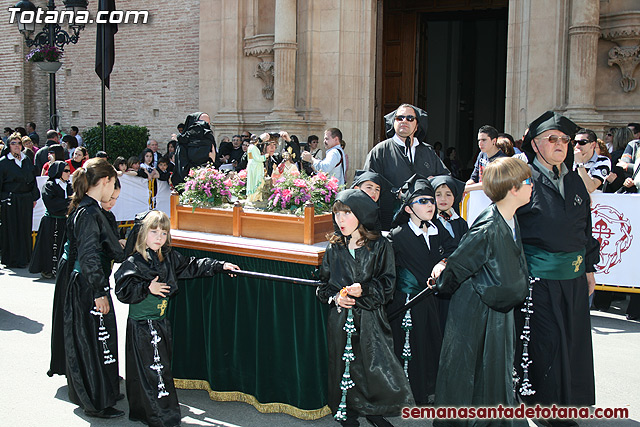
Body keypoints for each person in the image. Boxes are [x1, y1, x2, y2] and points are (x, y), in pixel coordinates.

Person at [115, 211, 239, 427]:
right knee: (150, 370)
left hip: (161, 321)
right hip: (142, 326)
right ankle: (156, 414)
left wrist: (219, 265)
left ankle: (153, 411)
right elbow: (122, 290)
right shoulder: (133, 262)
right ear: (143, 233)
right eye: (154, 232)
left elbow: (192, 265)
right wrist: (146, 287)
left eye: (163, 232)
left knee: (159, 367)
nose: (159, 237)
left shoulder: (168, 257)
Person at [434, 157, 532, 427]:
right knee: (468, 368)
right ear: (513, 187)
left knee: (495, 368)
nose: (531, 186)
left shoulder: (510, 218)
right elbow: (459, 263)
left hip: (496, 307)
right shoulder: (488, 226)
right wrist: (442, 284)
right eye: (527, 181)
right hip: (475, 308)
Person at [516, 111, 598, 424]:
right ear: (536, 145)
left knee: (573, 342)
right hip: (539, 281)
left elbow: (584, 226)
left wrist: (589, 266)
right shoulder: (523, 180)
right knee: (545, 343)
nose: (560, 144)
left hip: (574, 280)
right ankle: (545, 406)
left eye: (564, 139)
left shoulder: (575, 180)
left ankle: (569, 402)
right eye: (552, 139)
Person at [316, 189, 414, 427]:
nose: (340, 220)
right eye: (337, 214)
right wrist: (336, 298)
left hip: (372, 319)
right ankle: (346, 412)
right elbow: (322, 286)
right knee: (343, 366)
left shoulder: (380, 245)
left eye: (346, 213)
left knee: (374, 366)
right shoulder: (334, 248)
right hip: (341, 321)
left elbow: (389, 284)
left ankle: (373, 410)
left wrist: (366, 290)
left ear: (360, 214)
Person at [63, 158, 125, 418]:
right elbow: (89, 255)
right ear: (106, 181)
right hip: (90, 286)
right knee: (93, 342)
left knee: (98, 341)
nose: (113, 193)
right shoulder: (88, 212)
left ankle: (101, 391)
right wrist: (100, 291)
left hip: (90, 283)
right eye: (113, 185)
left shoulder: (89, 209)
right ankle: (96, 401)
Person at [387, 175, 455, 405]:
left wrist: (442, 262)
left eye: (431, 200)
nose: (430, 205)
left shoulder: (438, 230)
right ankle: (406, 393)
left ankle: (427, 390)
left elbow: (455, 249)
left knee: (430, 343)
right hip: (406, 303)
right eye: (422, 201)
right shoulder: (397, 236)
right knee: (408, 346)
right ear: (408, 209)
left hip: (431, 301)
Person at [363, 103, 450, 231]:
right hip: (389, 222)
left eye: (410, 118)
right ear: (393, 122)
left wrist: (434, 182)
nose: (404, 121)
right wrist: (396, 193)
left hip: (423, 223)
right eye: (400, 118)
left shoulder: (428, 151)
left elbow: (445, 178)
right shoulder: (380, 151)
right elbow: (367, 184)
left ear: (417, 126)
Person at [0, 133, 40, 268]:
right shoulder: (4, 162)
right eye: (13, 143)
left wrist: (34, 197)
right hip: (10, 199)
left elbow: (33, 179)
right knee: (12, 228)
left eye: (18, 143)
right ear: (9, 146)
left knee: (24, 228)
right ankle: (12, 259)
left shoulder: (26, 159)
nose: (17, 146)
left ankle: (25, 258)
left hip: (26, 199)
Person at [29, 161, 72, 279]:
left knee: (63, 246)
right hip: (51, 221)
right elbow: (52, 204)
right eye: (66, 171)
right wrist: (68, 203)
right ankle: (47, 269)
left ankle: (61, 270)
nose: (69, 173)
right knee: (49, 247)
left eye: (69, 171)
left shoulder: (69, 186)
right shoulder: (49, 185)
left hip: (63, 220)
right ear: (58, 172)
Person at [172, 112, 217, 187]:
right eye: (202, 123)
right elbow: (182, 167)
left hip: (208, 184)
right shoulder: (183, 142)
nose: (204, 126)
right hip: (189, 185)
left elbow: (214, 162)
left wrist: (213, 161)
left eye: (207, 123)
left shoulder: (209, 138)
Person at [466, 125, 507, 192]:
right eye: (479, 140)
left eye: (484, 140)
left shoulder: (502, 160)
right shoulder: (481, 154)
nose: (480, 143)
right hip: (480, 196)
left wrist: (465, 189)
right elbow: (474, 178)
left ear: (494, 141)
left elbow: (490, 184)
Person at [572, 128, 611, 193]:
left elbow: (591, 187)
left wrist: (579, 164)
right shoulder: (569, 160)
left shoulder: (602, 161)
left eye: (582, 142)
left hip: (595, 202)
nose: (577, 146)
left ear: (593, 145)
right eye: (575, 142)